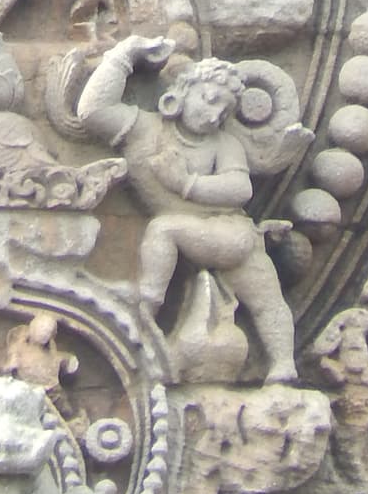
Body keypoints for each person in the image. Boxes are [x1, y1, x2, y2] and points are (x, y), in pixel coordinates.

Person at [73, 35, 300, 383]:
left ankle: (146, 310)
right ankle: (282, 365)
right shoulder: (145, 130)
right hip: (206, 235)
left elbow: (240, 188)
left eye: (223, 112)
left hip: (230, 233)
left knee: (264, 297)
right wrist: (123, 55)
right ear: (182, 91)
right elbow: (92, 111)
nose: (213, 116)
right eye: (208, 100)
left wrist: (186, 184)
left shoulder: (223, 144)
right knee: (263, 293)